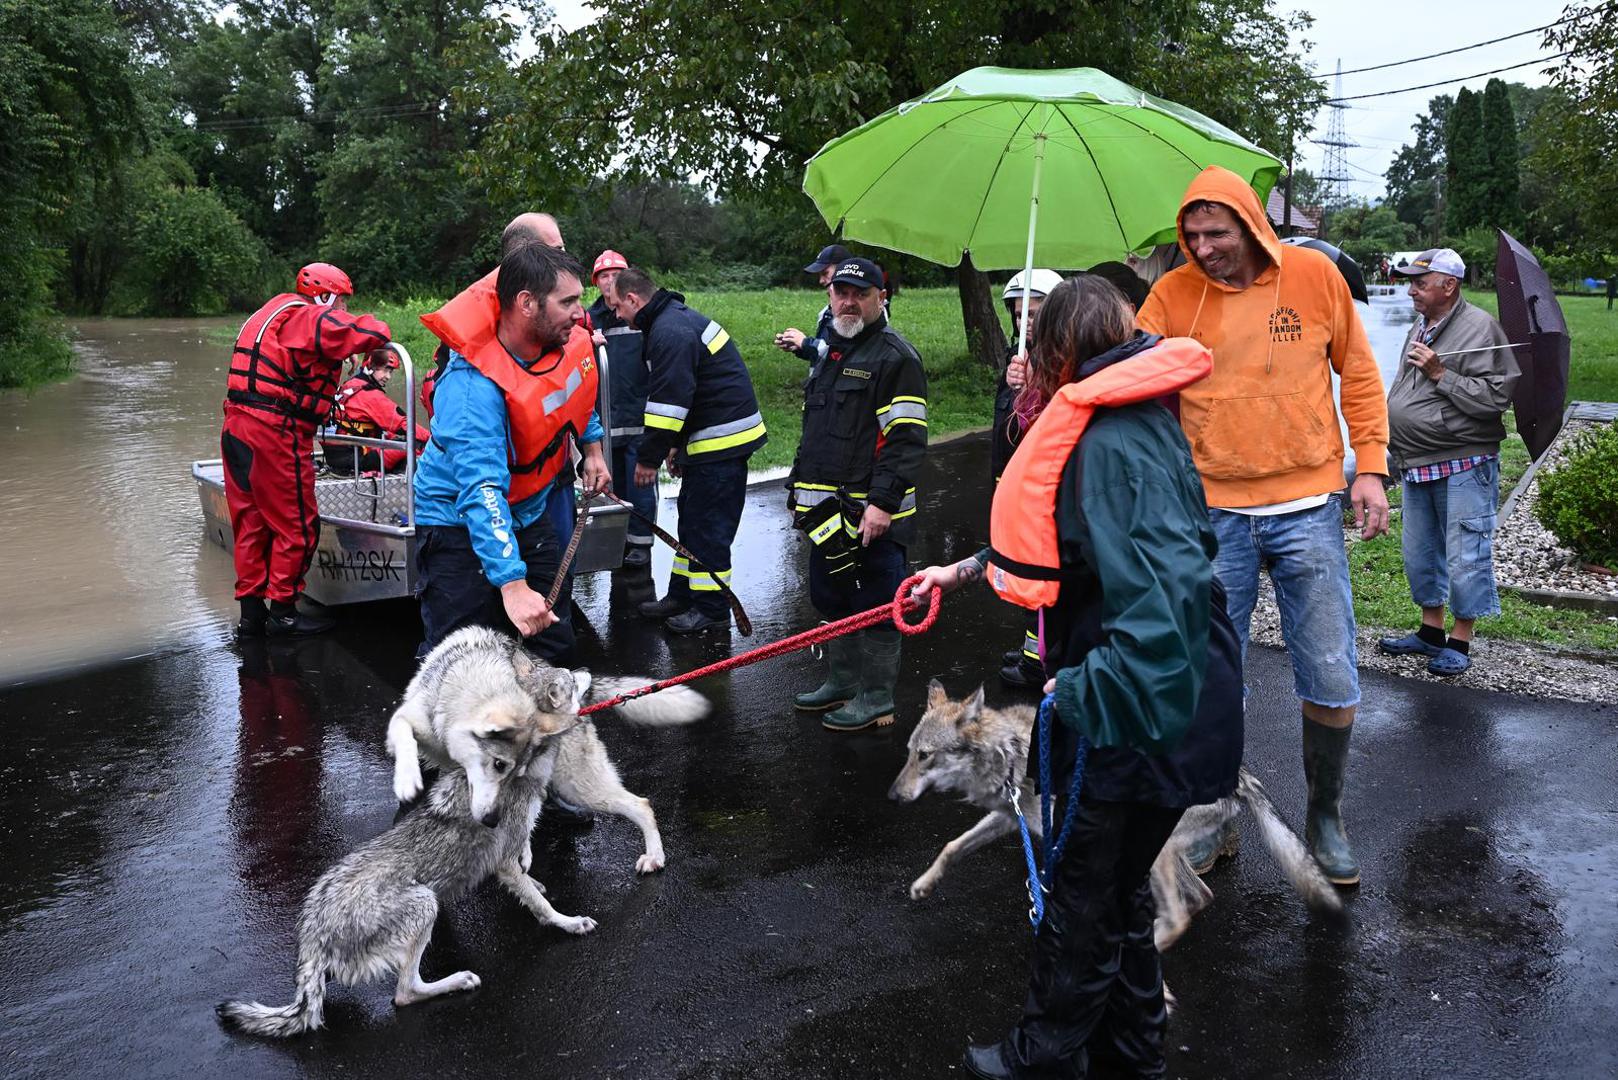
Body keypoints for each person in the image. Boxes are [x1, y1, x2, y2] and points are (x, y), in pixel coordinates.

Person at [911, 276, 1243, 1080]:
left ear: (1060, 352)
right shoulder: (1110, 423)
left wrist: (1081, 687)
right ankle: (1131, 1055)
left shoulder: (1116, 442)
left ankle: (1043, 1055)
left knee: (1083, 894)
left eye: (1035, 340)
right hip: (1162, 704)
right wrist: (955, 574)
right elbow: (1068, 541)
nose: (1024, 355)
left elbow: (1161, 605)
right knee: (1117, 891)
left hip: (1144, 716)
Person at [1136, 165, 1390, 886]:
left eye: (1215, 232)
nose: (1203, 246)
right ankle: (1211, 820)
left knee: (1331, 671)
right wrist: (1051, 371)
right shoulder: (1171, 295)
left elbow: (1361, 375)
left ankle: (1326, 818)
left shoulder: (1313, 277)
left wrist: (1368, 466)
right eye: (1191, 233)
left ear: (1251, 223)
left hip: (1307, 507)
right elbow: (1127, 378)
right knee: (1208, 678)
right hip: (1212, 515)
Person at [411, 242, 609, 660]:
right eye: (568, 302)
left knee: (553, 646)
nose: (580, 313)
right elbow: (481, 491)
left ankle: (550, 722)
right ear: (526, 304)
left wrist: (592, 450)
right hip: (457, 527)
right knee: (464, 663)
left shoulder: (558, 343)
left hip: (529, 511)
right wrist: (512, 584)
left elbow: (572, 399)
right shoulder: (471, 389)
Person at [787, 256, 928, 731]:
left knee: (878, 605)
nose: (849, 302)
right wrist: (796, 491)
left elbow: (906, 440)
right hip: (825, 517)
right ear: (829, 295)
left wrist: (882, 505)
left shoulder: (896, 358)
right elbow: (817, 432)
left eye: (861, 294)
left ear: (879, 298)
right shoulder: (830, 353)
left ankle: (877, 698)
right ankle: (842, 682)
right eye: (841, 292)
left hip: (870, 517)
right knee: (832, 599)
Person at [222, 262, 391, 637]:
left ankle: (251, 617)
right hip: (273, 433)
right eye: (342, 301)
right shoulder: (307, 318)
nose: (344, 308)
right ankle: (283, 613)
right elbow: (363, 331)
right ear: (325, 295)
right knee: (298, 525)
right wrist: (379, 330)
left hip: (237, 427)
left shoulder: (271, 312)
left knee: (251, 523)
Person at [1378, 248, 1519, 676]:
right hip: (1418, 458)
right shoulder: (1424, 324)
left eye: (1420, 284)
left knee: (1466, 552)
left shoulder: (1481, 329)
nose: (1411, 291)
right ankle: (1430, 631)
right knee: (1420, 551)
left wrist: (1443, 375)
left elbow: (1497, 397)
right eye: (1411, 283)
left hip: (1464, 459)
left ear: (1448, 285)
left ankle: (1461, 638)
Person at [611, 267, 766, 634]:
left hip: (721, 445)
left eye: (618, 306)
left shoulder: (670, 331)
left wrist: (649, 458)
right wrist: (679, 448)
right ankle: (682, 595)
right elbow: (691, 392)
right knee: (692, 522)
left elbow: (670, 403)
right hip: (711, 441)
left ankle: (711, 610)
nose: (616, 314)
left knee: (708, 529)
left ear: (634, 299)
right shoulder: (669, 323)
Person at [994, 268, 1063, 690]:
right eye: (1019, 314)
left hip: (1040, 492)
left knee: (1039, 576)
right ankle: (1029, 646)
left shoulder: (1058, 363)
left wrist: (1033, 386)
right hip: (1009, 481)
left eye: (1035, 314)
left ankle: (1040, 662)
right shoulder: (1017, 358)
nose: (1025, 323)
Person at [587, 249, 657, 569]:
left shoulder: (643, 316)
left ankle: (642, 544)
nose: (610, 281)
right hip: (607, 418)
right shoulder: (590, 320)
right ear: (596, 282)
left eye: (616, 274)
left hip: (640, 417)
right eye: (604, 276)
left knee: (641, 484)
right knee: (613, 485)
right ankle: (619, 540)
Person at [328, 349, 428, 474]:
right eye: (385, 370)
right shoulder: (370, 395)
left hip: (337, 457)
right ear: (370, 367)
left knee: (394, 437)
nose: (388, 376)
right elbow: (404, 423)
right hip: (357, 459)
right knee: (417, 444)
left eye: (390, 372)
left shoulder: (349, 385)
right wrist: (433, 439)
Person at [773, 243, 852, 365]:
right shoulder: (825, 312)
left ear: (844, 269)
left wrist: (806, 343)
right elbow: (823, 356)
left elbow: (844, 357)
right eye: (819, 275)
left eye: (825, 273)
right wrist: (799, 347)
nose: (821, 281)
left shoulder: (861, 313)